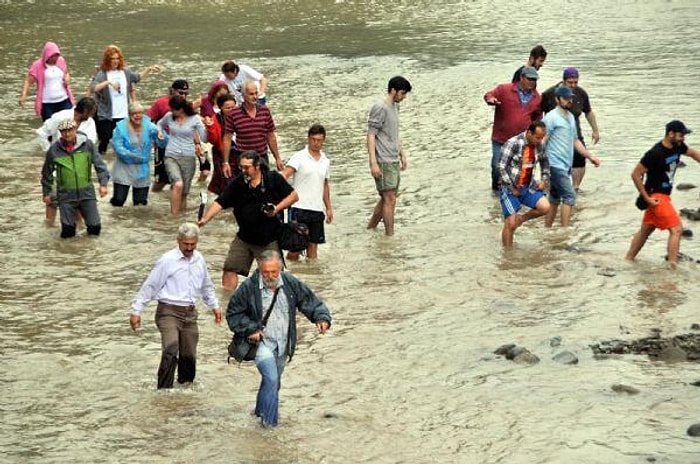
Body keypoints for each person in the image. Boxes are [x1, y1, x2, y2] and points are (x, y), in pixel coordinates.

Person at [227, 250, 331, 427]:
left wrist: (321, 318)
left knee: (272, 382)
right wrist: (251, 329)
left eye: (273, 272)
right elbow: (234, 314)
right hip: (262, 344)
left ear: (280, 269)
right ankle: (270, 427)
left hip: (283, 344)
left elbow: (309, 300)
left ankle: (259, 413)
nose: (269, 276)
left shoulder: (290, 283)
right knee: (272, 379)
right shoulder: (249, 287)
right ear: (260, 270)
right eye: (265, 272)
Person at [130, 223, 223, 389]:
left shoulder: (199, 259)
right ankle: (163, 391)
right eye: (185, 244)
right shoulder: (167, 260)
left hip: (190, 313)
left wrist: (215, 306)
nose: (189, 248)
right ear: (178, 241)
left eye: (192, 244)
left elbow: (206, 285)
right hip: (168, 312)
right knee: (171, 349)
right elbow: (151, 286)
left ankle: (185, 393)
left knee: (189, 356)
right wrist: (137, 310)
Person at [198, 151, 298, 291]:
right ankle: (229, 302)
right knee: (229, 269)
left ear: (257, 166)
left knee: (274, 276)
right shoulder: (238, 183)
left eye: (246, 167)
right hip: (244, 238)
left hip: (268, 239)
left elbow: (293, 196)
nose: (243, 171)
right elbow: (220, 202)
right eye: (241, 167)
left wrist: (276, 208)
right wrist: (205, 219)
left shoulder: (273, 179)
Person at [626, 121, 700, 265]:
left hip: (663, 197)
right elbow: (635, 174)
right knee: (677, 230)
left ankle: (628, 260)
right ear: (670, 134)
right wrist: (647, 198)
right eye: (680, 135)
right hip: (657, 196)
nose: (683, 138)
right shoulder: (655, 153)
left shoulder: (678, 147)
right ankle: (672, 269)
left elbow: (693, 153)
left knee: (645, 231)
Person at [542, 86, 601, 228]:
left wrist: (590, 156)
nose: (570, 101)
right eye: (566, 98)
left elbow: (575, 140)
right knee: (569, 197)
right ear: (557, 99)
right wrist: (538, 162)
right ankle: (565, 231)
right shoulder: (550, 118)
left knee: (555, 199)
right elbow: (543, 140)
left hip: (565, 164)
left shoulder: (570, 117)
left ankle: (547, 229)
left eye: (571, 98)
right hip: (554, 164)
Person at [40, 119, 109, 238]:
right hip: (66, 195)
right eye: (63, 131)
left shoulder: (88, 145)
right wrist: (46, 192)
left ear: (75, 130)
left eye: (69, 131)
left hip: (87, 193)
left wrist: (103, 184)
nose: (67, 134)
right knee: (68, 232)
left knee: (95, 228)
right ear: (60, 133)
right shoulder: (54, 150)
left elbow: (100, 166)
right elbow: (47, 173)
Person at [89, 45, 161, 155]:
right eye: (113, 59)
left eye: (117, 58)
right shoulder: (103, 74)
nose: (115, 61)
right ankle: (100, 158)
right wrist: (108, 83)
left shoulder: (125, 72)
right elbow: (93, 88)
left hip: (122, 112)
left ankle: (120, 159)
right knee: (106, 138)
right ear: (108, 60)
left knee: (123, 139)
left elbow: (137, 78)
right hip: (106, 114)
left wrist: (149, 69)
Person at [37, 96, 98, 223]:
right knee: (52, 199)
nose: (93, 114)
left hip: (79, 168)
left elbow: (91, 144)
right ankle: (50, 226)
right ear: (85, 111)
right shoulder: (61, 117)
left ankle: (78, 229)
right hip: (57, 166)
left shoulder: (90, 123)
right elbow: (42, 133)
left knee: (78, 201)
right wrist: (50, 152)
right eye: (92, 112)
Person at [541, 67, 601, 191]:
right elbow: (538, 112)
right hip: (554, 131)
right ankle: (556, 189)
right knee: (555, 164)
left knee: (579, 157)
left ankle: (575, 187)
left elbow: (588, 112)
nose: (573, 85)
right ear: (563, 81)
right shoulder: (549, 94)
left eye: (575, 82)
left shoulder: (581, 93)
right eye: (570, 82)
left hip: (573, 127)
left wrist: (595, 130)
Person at [366, 76, 412, 236]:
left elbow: (394, 133)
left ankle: (370, 228)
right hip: (383, 159)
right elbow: (371, 135)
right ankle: (390, 236)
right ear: (393, 90)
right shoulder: (380, 107)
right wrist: (373, 162)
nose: (404, 97)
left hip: (393, 158)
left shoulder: (395, 107)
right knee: (389, 198)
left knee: (387, 197)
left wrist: (402, 154)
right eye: (403, 93)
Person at [484, 67, 542, 191]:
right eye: (529, 79)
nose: (532, 82)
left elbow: (537, 117)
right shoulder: (504, 89)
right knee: (497, 166)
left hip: (521, 141)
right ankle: (496, 190)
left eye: (534, 79)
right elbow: (489, 95)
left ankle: (516, 192)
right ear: (521, 77)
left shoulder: (537, 98)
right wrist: (491, 100)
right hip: (501, 139)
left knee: (520, 169)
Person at [282, 124, 333, 259]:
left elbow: (325, 185)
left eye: (319, 140)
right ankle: (288, 272)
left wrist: (328, 208)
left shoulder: (325, 161)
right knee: (296, 247)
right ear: (308, 139)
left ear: (323, 141)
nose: (316, 143)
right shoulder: (299, 157)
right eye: (313, 139)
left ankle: (312, 277)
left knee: (313, 247)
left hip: (316, 209)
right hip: (299, 207)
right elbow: (285, 175)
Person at [498, 121, 551, 247]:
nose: (539, 141)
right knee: (510, 224)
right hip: (509, 188)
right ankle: (508, 254)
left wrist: (544, 180)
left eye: (542, 138)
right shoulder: (513, 143)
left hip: (528, 186)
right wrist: (512, 187)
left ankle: (522, 218)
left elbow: (545, 163)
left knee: (545, 207)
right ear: (529, 133)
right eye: (537, 137)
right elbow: (501, 167)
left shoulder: (539, 145)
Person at [157, 96, 207, 216]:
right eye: (172, 109)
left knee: (184, 192)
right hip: (171, 155)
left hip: (188, 156)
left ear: (182, 108)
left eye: (175, 109)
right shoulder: (169, 116)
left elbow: (204, 137)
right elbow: (159, 124)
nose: (173, 112)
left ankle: (180, 218)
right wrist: (160, 132)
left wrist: (207, 125)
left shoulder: (194, 119)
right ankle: (174, 216)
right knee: (178, 184)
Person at [110, 102, 167, 207]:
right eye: (134, 113)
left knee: (140, 204)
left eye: (140, 113)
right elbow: (118, 148)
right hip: (124, 167)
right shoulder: (120, 128)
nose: (138, 116)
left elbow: (162, 143)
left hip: (142, 169)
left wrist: (161, 136)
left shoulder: (150, 126)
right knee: (118, 201)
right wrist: (134, 157)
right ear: (129, 114)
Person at [221, 80, 283, 175]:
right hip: (244, 160)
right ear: (243, 96)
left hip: (262, 158)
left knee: (265, 187)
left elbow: (271, 136)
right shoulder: (234, 114)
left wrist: (277, 158)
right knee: (245, 188)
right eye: (251, 94)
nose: (255, 97)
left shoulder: (264, 110)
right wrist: (226, 162)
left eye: (256, 93)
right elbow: (227, 138)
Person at [147, 79, 190, 192]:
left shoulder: (187, 105)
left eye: (186, 93)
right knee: (162, 180)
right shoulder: (160, 103)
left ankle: (172, 202)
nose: (183, 96)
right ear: (172, 91)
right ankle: (153, 198)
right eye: (180, 93)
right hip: (162, 146)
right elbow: (148, 121)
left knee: (178, 178)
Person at [20, 41, 75, 121]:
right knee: (50, 129)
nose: (55, 59)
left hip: (64, 100)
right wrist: (23, 96)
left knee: (67, 126)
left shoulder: (61, 61)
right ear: (47, 56)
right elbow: (28, 81)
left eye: (57, 56)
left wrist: (67, 79)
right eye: (53, 57)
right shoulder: (37, 66)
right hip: (47, 103)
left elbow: (66, 73)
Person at [204, 93, 237, 195]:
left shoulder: (240, 115)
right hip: (221, 152)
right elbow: (212, 140)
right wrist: (210, 127)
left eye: (233, 107)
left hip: (238, 152)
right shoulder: (215, 119)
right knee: (226, 179)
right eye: (228, 108)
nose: (231, 110)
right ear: (220, 108)